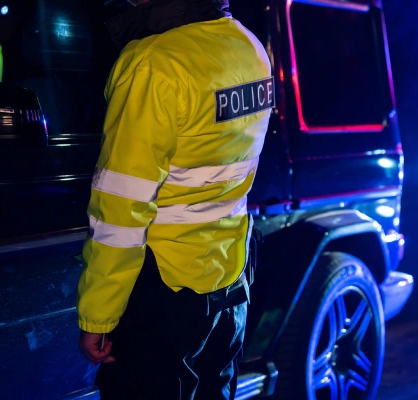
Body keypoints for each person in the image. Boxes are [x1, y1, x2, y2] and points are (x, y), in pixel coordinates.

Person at [76, 0, 273, 398]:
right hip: (229, 277)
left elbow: (120, 210)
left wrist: (99, 316)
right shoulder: (249, 47)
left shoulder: (154, 63)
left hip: (164, 288)